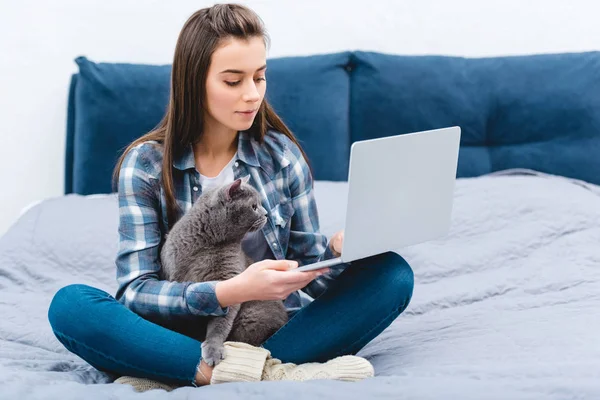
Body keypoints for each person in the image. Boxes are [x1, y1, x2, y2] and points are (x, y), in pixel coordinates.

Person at [47, 3, 414, 392]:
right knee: (71, 306)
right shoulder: (146, 165)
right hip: (181, 335)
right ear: (194, 82)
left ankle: (205, 371)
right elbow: (136, 292)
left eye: (260, 77)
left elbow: (309, 280)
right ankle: (257, 372)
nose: (252, 95)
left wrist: (341, 255)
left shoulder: (282, 157)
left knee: (392, 274)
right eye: (233, 80)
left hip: (271, 328)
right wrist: (230, 291)